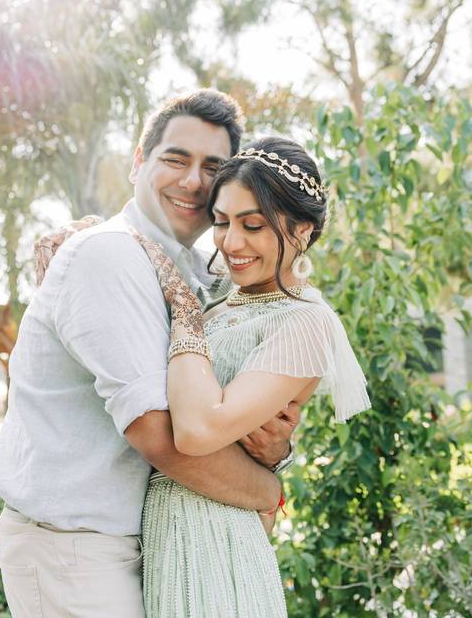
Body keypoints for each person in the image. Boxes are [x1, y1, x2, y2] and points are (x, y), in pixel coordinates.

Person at [0, 90, 299, 618]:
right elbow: (160, 436)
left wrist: (275, 447)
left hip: (148, 542)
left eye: (212, 168)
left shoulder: (203, 274)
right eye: (175, 159)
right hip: (76, 549)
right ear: (138, 161)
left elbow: (234, 410)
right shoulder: (108, 255)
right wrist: (270, 490)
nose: (193, 181)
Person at [131, 136, 371, 616]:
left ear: (301, 229)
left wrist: (184, 312)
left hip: (217, 538)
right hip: (164, 531)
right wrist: (86, 233)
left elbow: (199, 431)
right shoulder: (218, 290)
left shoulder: (305, 322)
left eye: (253, 225)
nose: (231, 243)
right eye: (221, 223)